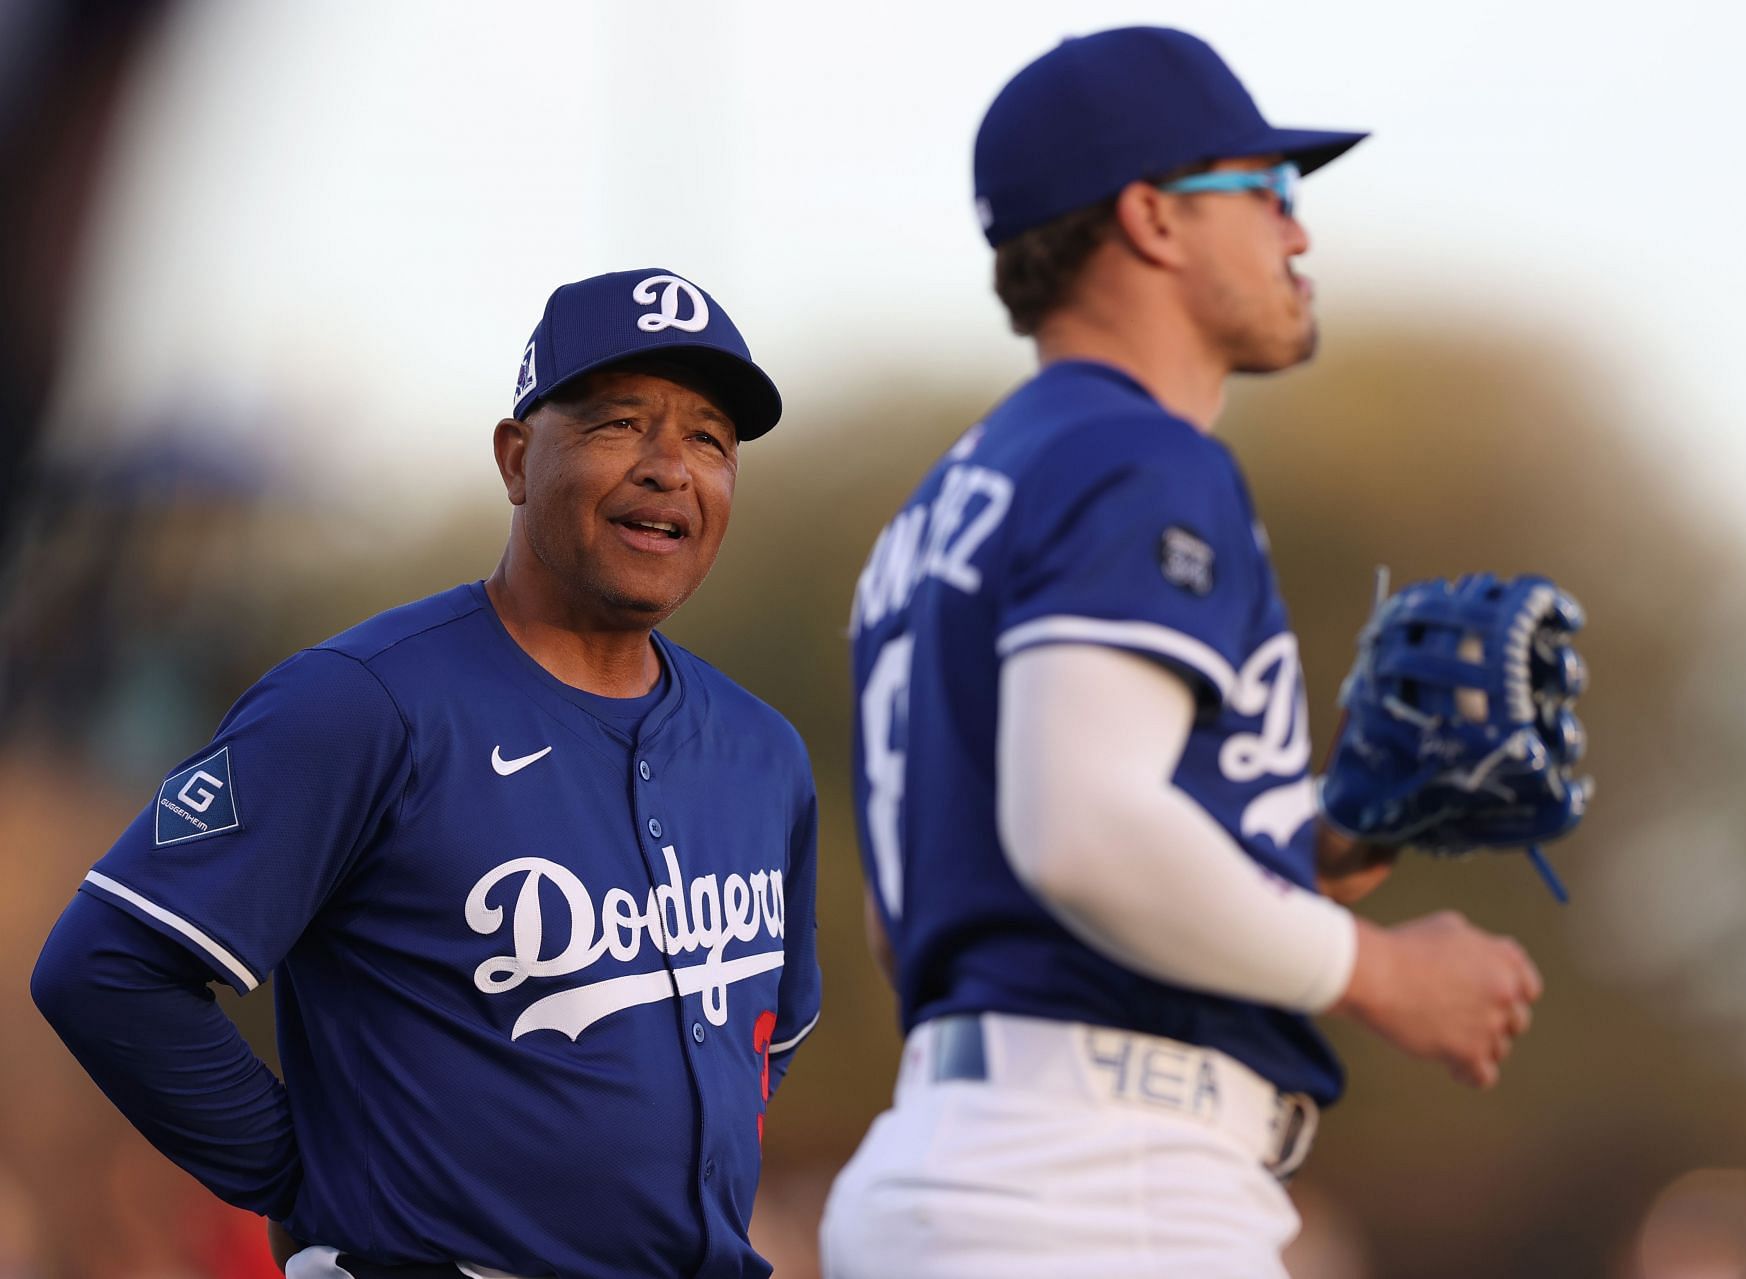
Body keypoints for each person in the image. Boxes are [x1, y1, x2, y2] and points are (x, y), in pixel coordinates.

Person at [822, 27, 1543, 1279]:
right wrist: (1376, 971)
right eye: (1268, 191)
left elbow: (939, 912)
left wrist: (1329, 841)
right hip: (1102, 1184)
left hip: (970, 1155)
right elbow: (1080, 836)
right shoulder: (1138, 455)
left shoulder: (941, 506)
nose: (1299, 234)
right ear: (1153, 217)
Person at [31, 268, 823, 1279]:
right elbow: (108, 967)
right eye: (621, 422)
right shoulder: (361, 703)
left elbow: (768, 1026)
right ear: (516, 457)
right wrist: (306, 1175)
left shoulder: (762, 752)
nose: (672, 467)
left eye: (710, 438)